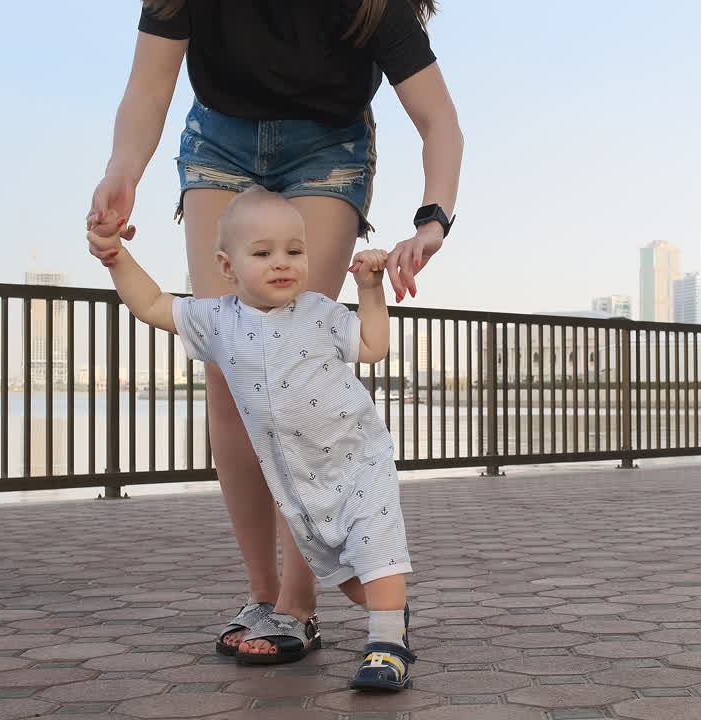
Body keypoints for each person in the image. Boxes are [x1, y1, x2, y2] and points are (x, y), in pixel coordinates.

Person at [85, 0, 461, 665]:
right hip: (218, 144)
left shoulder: (374, 6)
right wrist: (123, 170)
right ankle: (263, 593)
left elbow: (439, 121)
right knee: (230, 370)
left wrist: (433, 219)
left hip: (328, 150)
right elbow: (149, 85)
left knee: (293, 362)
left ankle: (298, 603)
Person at [89, 187, 418, 691]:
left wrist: (371, 291)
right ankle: (389, 610)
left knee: (377, 554)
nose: (282, 262)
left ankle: (388, 646)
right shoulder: (218, 320)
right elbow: (153, 304)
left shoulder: (319, 312)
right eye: (263, 253)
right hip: (299, 480)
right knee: (351, 578)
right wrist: (117, 258)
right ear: (228, 266)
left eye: (295, 250)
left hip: (357, 459)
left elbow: (373, 347)